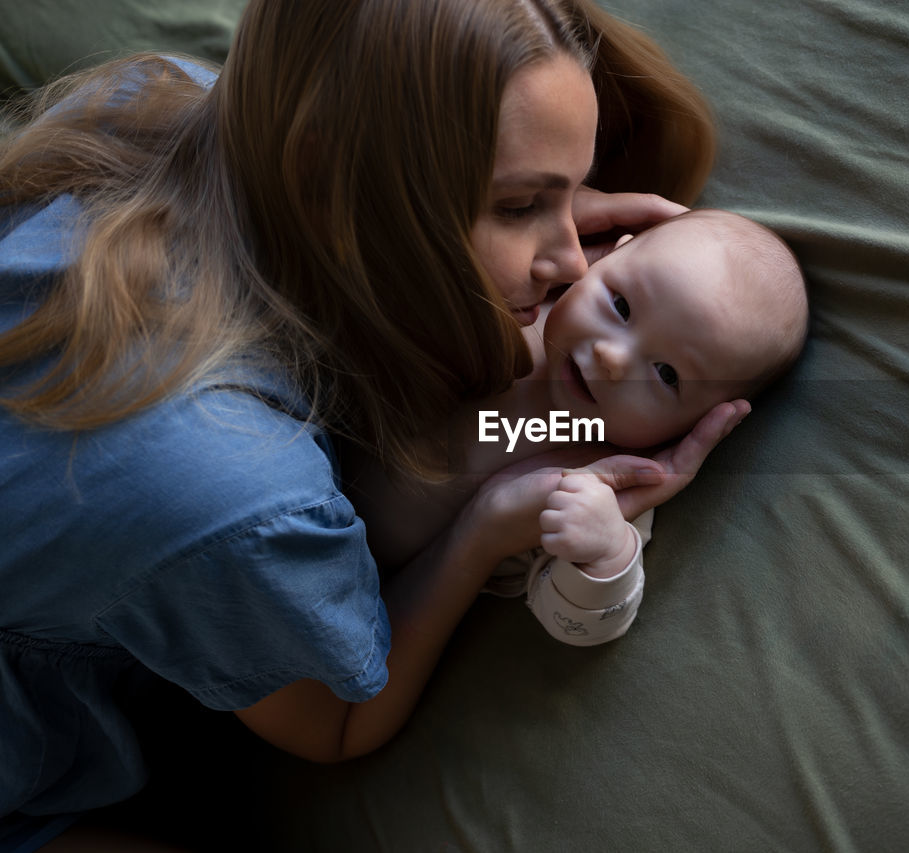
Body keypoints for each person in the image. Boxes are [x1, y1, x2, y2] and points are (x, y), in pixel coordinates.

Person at [0, 0, 745, 848]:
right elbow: (337, 724)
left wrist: (533, 218)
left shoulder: (154, 99)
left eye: (572, 196)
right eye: (517, 205)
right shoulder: (235, 493)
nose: (574, 257)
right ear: (331, 184)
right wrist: (482, 531)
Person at [349, 208, 808, 646]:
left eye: (667, 374)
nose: (612, 358)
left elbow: (577, 622)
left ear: (700, 422)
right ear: (603, 258)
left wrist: (608, 554)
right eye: (622, 306)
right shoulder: (524, 300)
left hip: (350, 574)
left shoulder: (604, 479)